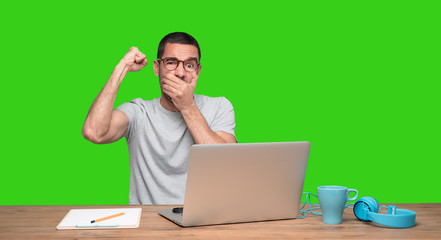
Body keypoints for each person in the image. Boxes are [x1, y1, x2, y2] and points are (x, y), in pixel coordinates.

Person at [82, 32, 237, 205]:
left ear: (198, 71)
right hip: (147, 223)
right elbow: (94, 132)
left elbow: (228, 164)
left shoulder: (219, 107)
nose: (180, 73)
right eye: (171, 63)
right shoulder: (139, 112)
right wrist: (122, 68)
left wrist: (187, 106)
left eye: (189, 65)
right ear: (157, 68)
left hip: (204, 221)